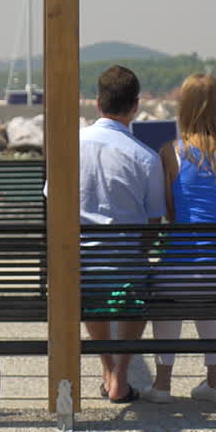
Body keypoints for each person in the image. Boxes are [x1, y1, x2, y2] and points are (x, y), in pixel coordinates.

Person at [153, 73, 216, 404]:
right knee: (210, 281)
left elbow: (171, 215)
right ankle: (215, 381)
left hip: (183, 274)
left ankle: (161, 384)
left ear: (183, 108)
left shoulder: (171, 152)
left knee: (170, 291)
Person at [78, 65, 165, 403]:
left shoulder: (68, 145)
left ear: (98, 102)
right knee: (134, 281)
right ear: (135, 107)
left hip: (79, 271)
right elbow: (154, 224)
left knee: (89, 285)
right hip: (127, 271)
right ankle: (121, 373)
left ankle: (107, 367)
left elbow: (52, 204)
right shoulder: (146, 157)